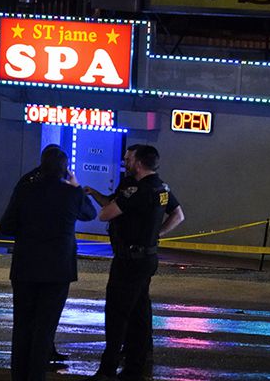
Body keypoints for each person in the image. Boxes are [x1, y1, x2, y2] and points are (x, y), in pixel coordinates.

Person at [84, 144, 184, 373]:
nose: (125, 162)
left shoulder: (138, 191)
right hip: (146, 257)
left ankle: (107, 370)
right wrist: (156, 234)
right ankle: (136, 365)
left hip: (129, 260)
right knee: (139, 312)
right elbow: (179, 215)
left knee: (117, 314)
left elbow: (105, 214)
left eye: (128, 159)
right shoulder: (161, 188)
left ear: (139, 163)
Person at [0, 147, 96, 381]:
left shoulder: (25, 190)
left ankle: (19, 376)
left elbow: (6, 226)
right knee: (45, 328)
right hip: (57, 271)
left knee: (22, 327)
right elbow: (90, 213)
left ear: (41, 166)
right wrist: (76, 186)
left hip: (25, 267)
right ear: (65, 170)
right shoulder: (71, 194)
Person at [15, 143, 72, 366]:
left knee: (26, 320)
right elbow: (87, 212)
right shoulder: (64, 188)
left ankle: (30, 361)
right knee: (46, 317)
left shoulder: (27, 184)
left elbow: (8, 224)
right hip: (56, 265)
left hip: (27, 263)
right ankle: (42, 356)